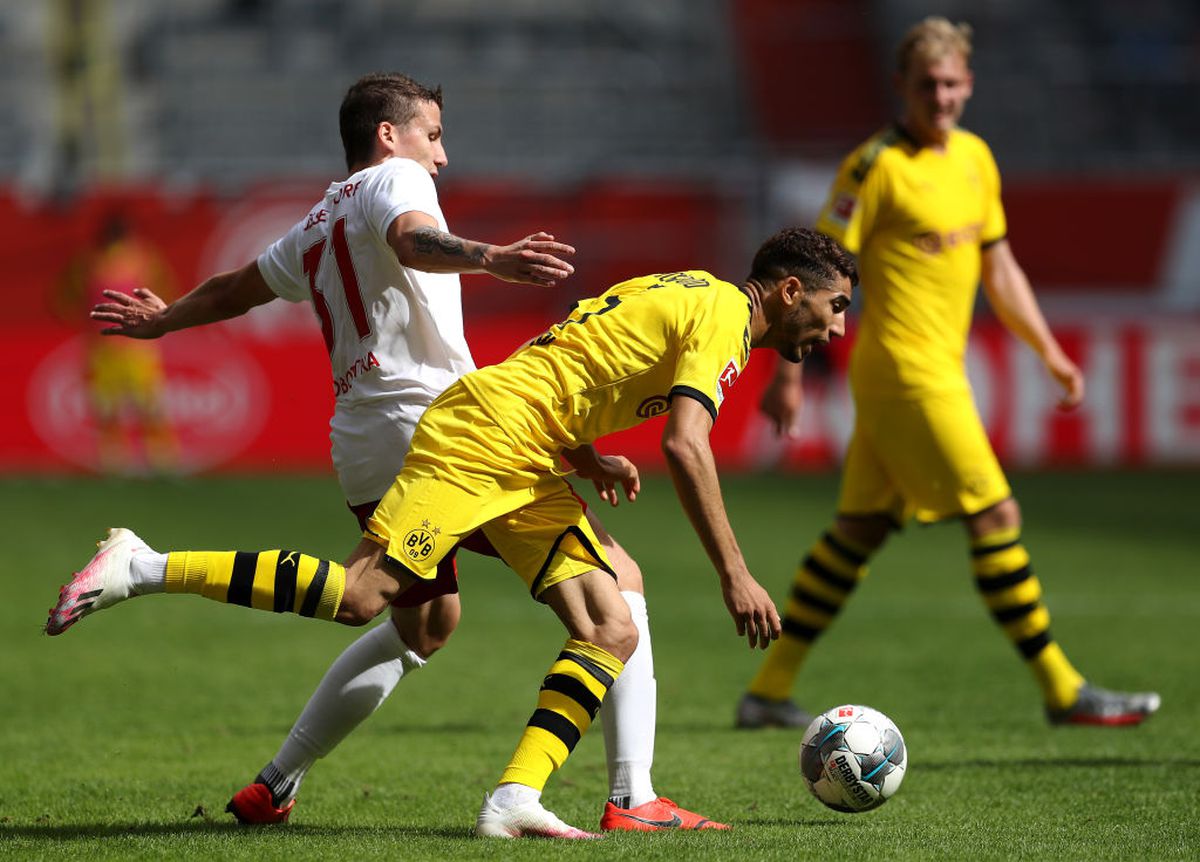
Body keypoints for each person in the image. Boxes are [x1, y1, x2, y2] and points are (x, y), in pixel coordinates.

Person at [73, 73, 725, 834]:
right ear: (390, 134)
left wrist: (166, 320)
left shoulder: (315, 219)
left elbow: (236, 288)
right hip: (440, 428)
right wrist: (491, 256)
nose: (442, 157)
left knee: (426, 624)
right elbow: (414, 239)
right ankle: (628, 795)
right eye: (435, 134)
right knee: (607, 587)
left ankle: (276, 783)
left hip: (363, 439)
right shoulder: (397, 179)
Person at [47, 226, 857, 837]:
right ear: (789, 291)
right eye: (835, 306)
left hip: (528, 446)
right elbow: (686, 444)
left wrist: (588, 456)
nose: (837, 327)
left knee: (611, 620)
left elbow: (568, 356)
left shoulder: (694, 293)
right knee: (366, 598)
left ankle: (521, 799)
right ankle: (142, 565)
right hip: (486, 434)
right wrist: (735, 574)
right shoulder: (723, 317)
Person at [736, 17, 1160, 731]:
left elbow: (999, 265)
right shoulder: (874, 167)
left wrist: (1048, 350)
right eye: (927, 84)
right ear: (901, 86)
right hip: (905, 374)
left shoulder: (975, 159)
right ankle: (1063, 689)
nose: (941, 96)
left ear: (969, 85)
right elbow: (810, 277)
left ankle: (767, 691)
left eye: (952, 83)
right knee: (996, 514)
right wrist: (788, 370)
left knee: (859, 531)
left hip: (935, 372)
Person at [54, 212, 179, 474]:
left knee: (135, 406)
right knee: (125, 406)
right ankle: (149, 461)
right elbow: (164, 293)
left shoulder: (130, 258)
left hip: (119, 346)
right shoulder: (96, 260)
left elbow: (65, 297)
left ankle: (132, 462)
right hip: (123, 346)